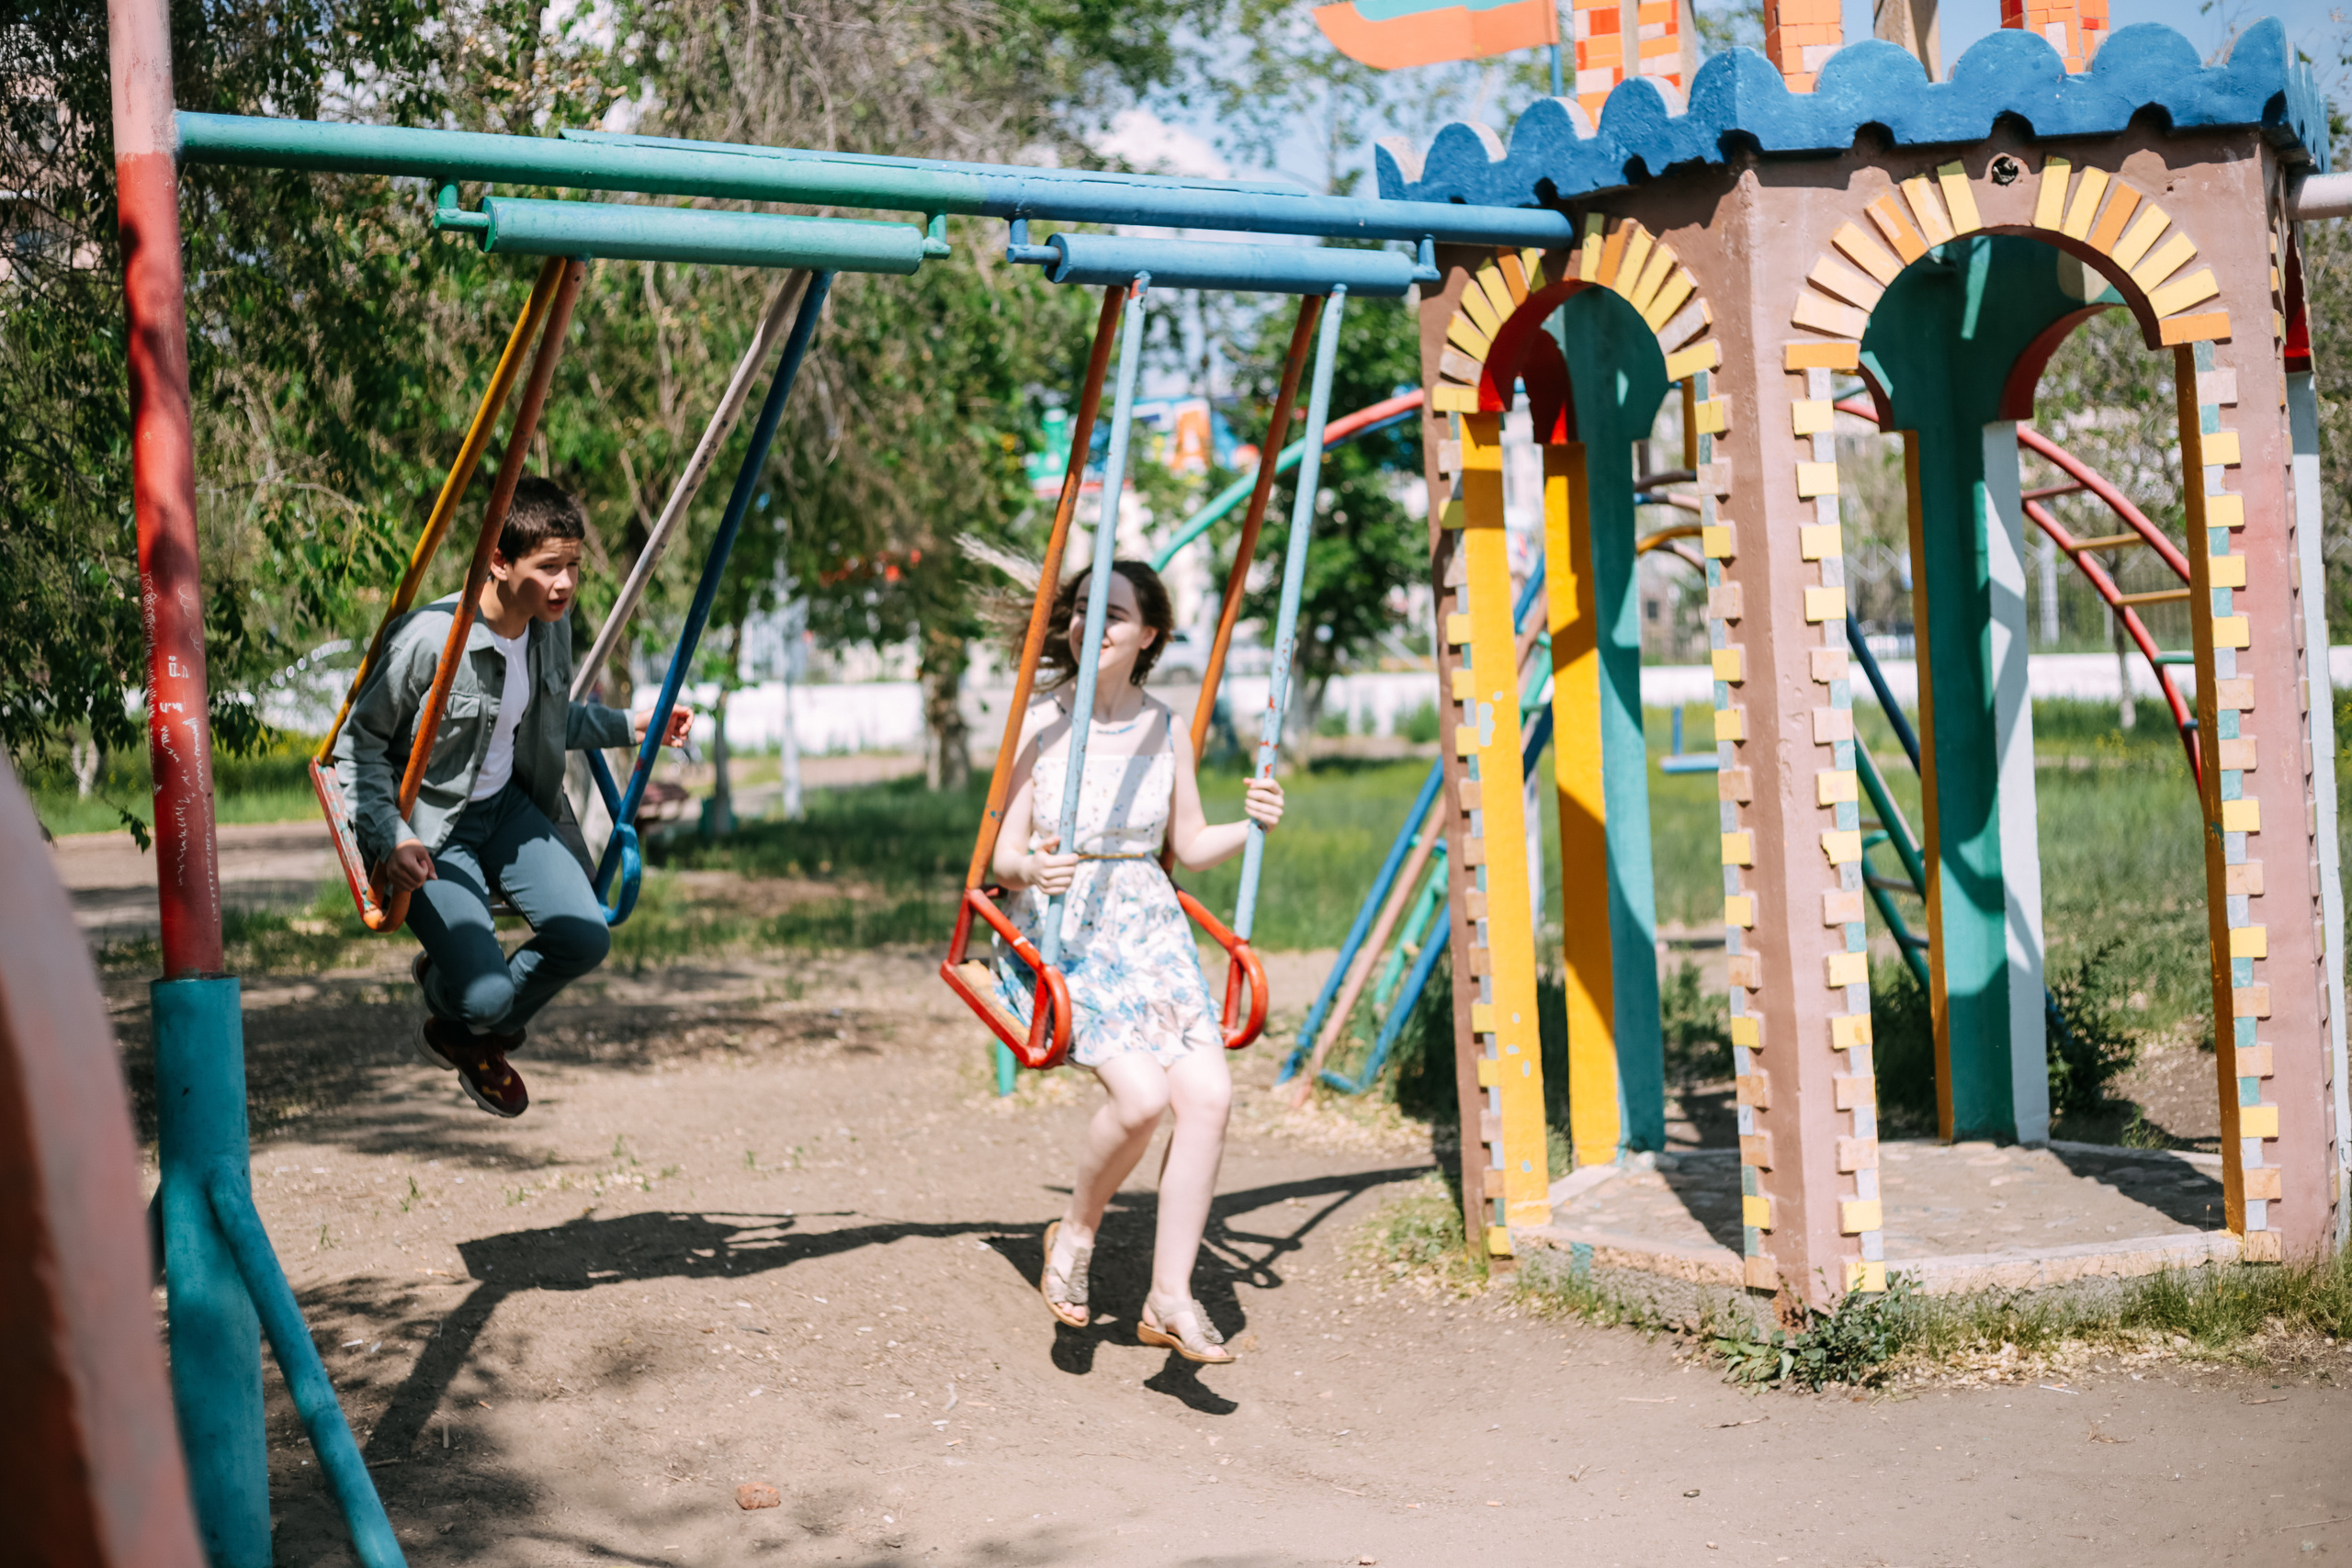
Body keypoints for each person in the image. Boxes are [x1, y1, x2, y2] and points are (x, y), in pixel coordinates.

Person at [991, 559, 1283, 1365]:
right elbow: (1001, 853)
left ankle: (1169, 1296)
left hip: (1148, 929)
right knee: (1143, 1098)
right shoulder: (1040, 723)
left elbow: (1188, 843)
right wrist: (1032, 868)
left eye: (1113, 614)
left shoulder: (1165, 726)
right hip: (1068, 930)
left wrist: (1253, 823)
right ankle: (1076, 1232)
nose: (1091, 624)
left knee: (1210, 1095)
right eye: (1083, 609)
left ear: (1149, 635)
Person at [335, 477, 691, 1118]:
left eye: (573, 567)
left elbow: (547, 720)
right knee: (489, 994)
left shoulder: (546, 628)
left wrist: (635, 725)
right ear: (499, 561)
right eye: (548, 567)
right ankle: (469, 1002)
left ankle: (463, 1023)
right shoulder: (430, 639)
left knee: (586, 938)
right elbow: (356, 749)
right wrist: (394, 837)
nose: (565, 584)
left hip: (507, 811)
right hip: (432, 827)